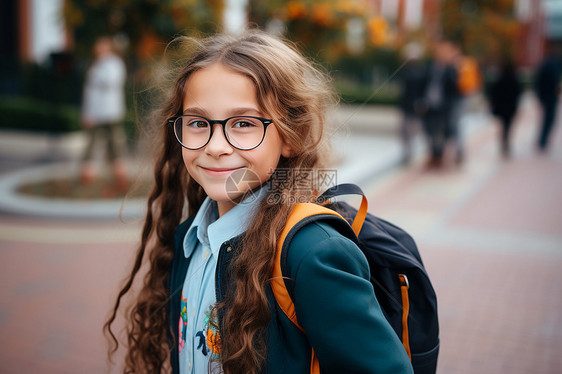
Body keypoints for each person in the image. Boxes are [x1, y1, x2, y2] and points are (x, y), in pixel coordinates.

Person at [104, 31, 413, 374]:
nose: (215, 146)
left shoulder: (312, 255)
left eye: (244, 124)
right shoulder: (189, 241)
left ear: (290, 138)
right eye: (198, 123)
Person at [80, 36, 128, 187]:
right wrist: (87, 113)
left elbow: (111, 82)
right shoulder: (97, 65)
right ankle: (90, 171)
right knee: (94, 141)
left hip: (110, 111)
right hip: (96, 112)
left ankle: (117, 171)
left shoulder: (112, 63)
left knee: (114, 141)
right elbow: (90, 93)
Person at [420, 39, 460, 167]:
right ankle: (434, 154)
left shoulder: (452, 68)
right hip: (429, 104)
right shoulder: (430, 65)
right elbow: (422, 84)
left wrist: (453, 65)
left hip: (444, 106)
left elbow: (456, 88)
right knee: (429, 130)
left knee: (442, 131)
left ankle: (439, 156)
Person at [398, 41, 426, 165]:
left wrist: (420, 102)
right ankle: (407, 154)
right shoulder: (406, 69)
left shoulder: (420, 70)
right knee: (404, 132)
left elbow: (422, 89)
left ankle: (411, 154)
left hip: (415, 107)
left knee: (413, 131)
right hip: (406, 106)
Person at [489, 59, 522, 157]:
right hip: (510, 108)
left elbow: (493, 93)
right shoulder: (514, 79)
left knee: (503, 126)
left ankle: (504, 142)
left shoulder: (500, 79)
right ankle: (506, 143)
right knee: (508, 126)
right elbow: (518, 93)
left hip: (501, 107)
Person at [534, 50, 561, 151]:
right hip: (550, 98)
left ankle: (542, 140)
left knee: (546, 119)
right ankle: (543, 140)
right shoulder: (553, 69)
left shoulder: (544, 68)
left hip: (545, 97)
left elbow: (538, 83)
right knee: (549, 119)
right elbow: (554, 84)